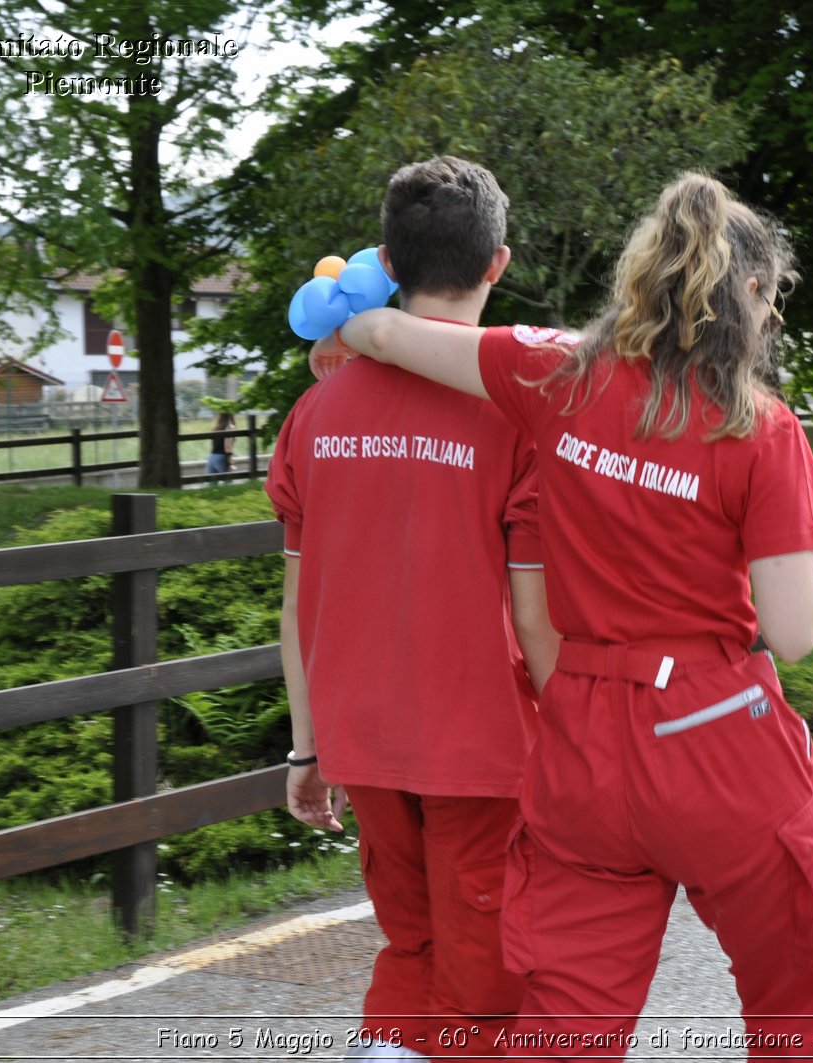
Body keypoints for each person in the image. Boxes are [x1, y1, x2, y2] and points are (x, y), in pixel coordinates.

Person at [338, 173, 813, 1060]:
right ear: (752, 295)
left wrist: (339, 321)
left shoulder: (552, 369)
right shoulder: (760, 429)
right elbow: (795, 629)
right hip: (711, 733)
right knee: (794, 982)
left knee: (568, 1016)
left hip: (582, 738)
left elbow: (389, 331)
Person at [265, 156, 560, 1062]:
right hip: (481, 744)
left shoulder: (314, 414)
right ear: (497, 265)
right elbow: (534, 608)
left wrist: (309, 747)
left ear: (385, 264)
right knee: (484, 977)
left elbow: (296, 606)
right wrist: (579, 742)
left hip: (364, 734)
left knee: (411, 941)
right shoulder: (522, 409)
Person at [207, 411, 235, 476]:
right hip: (222, 457)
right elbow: (227, 447)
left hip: (212, 457)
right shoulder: (230, 427)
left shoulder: (216, 428)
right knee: (228, 482)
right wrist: (231, 463)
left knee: (212, 484)